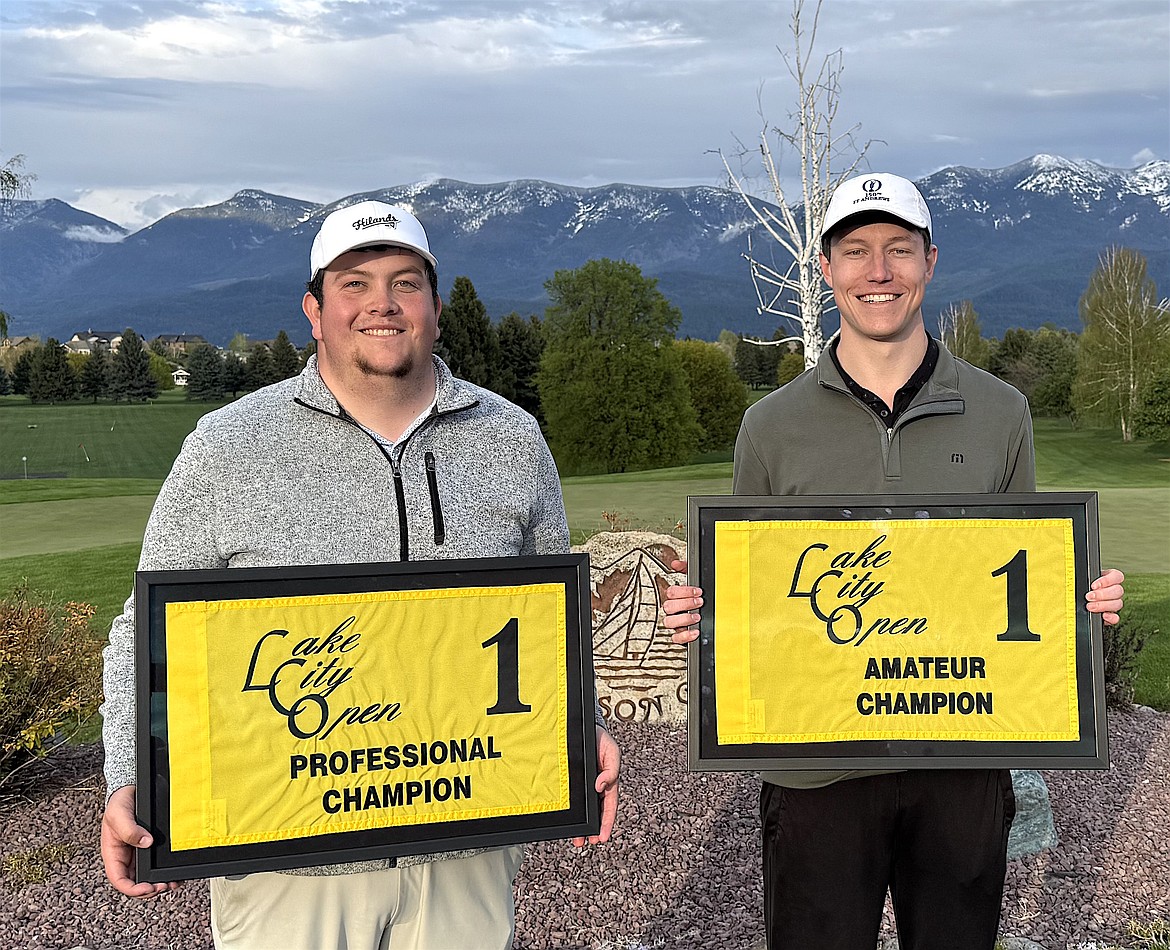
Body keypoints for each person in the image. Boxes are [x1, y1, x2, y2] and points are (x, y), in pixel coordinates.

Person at [100, 200, 621, 950]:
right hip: (288, 853)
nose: (383, 302)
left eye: (405, 282)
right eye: (355, 283)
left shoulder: (510, 436)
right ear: (314, 311)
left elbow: (548, 629)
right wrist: (129, 774)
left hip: (466, 839)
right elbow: (145, 632)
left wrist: (582, 726)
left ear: (434, 307)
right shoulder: (229, 444)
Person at [662, 173, 1125, 950]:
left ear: (930, 263)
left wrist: (1079, 601)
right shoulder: (770, 426)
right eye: (856, 251)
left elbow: (1022, 574)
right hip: (813, 768)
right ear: (826, 269)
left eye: (899, 250)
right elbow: (751, 590)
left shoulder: (1002, 411)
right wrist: (705, 615)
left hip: (962, 761)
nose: (878, 271)